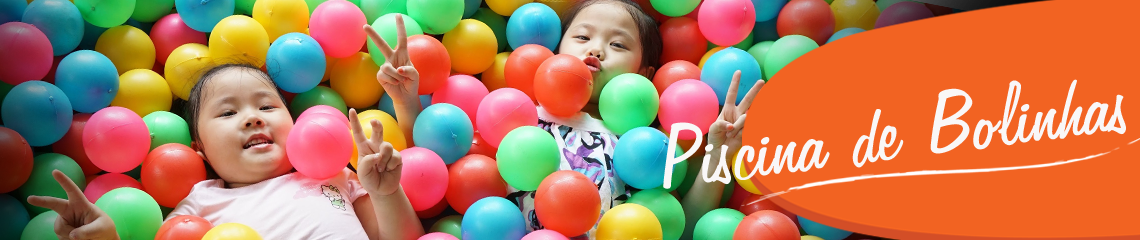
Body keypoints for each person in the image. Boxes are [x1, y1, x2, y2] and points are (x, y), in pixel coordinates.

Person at [25, 41, 425, 240]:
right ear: (200, 147)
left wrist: (387, 193)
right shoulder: (201, 202)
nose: (252, 117)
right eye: (228, 113)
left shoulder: (338, 173)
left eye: (267, 107)